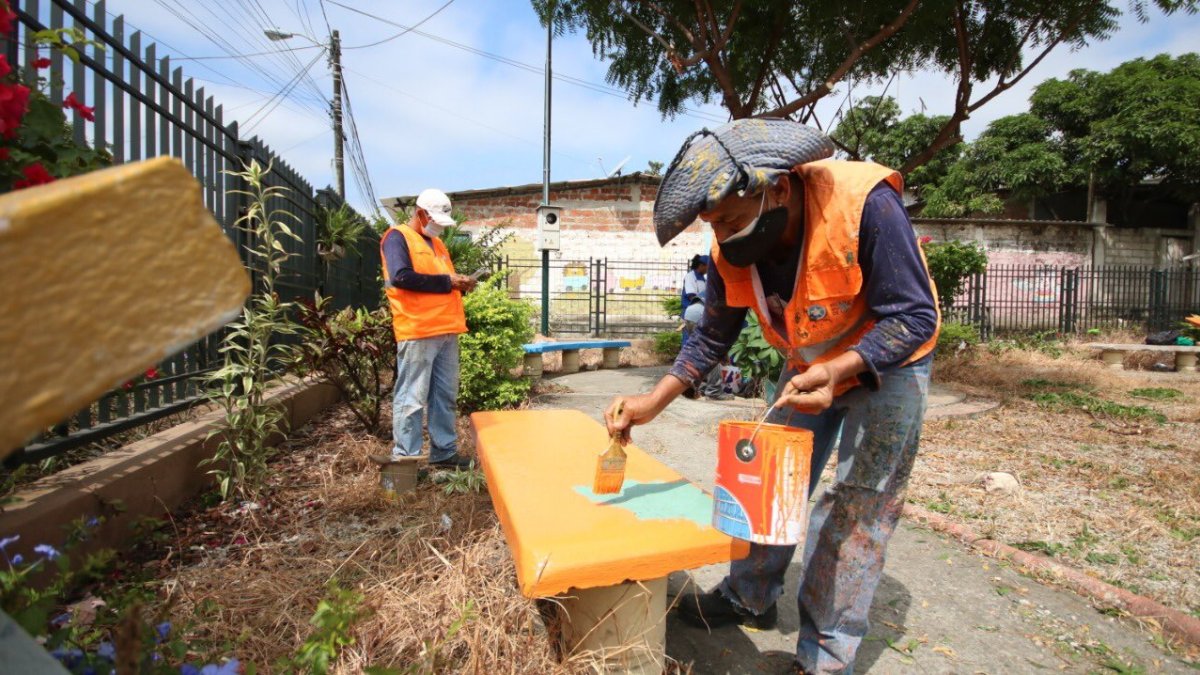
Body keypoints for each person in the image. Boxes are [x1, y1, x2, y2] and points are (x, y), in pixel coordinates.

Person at [604, 119, 940, 675]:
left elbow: (912, 313)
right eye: (715, 225)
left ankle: (826, 656)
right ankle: (749, 596)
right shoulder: (730, 245)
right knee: (767, 481)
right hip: (809, 363)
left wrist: (841, 370)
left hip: (891, 362)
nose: (726, 236)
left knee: (856, 508)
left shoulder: (865, 203)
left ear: (777, 188)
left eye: (733, 220)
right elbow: (712, 334)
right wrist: (652, 403)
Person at [376, 188, 477, 470]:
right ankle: (406, 460)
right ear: (420, 213)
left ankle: (443, 454)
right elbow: (401, 276)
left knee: (444, 396)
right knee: (412, 398)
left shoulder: (438, 244)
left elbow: (439, 282)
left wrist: (460, 284)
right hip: (418, 329)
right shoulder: (397, 237)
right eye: (434, 220)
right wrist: (449, 282)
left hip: (446, 329)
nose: (437, 227)